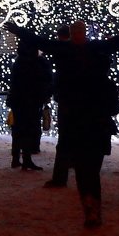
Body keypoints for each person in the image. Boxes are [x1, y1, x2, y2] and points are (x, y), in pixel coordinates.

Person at [6, 19, 119, 228]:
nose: (77, 34)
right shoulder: (96, 63)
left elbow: (42, 42)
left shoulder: (70, 55)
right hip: (91, 120)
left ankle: (90, 205)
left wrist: (19, 31)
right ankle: (91, 207)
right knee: (89, 168)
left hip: (77, 117)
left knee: (86, 168)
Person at [7, 35, 52, 171]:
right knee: (29, 128)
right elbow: (46, 79)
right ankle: (26, 158)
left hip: (18, 99)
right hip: (32, 100)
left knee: (18, 128)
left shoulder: (18, 62)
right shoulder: (38, 62)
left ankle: (16, 157)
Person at [43, 24, 75, 188]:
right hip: (77, 99)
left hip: (65, 99)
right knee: (75, 136)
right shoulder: (84, 50)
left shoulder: (60, 50)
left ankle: (61, 176)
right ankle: (75, 164)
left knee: (64, 139)